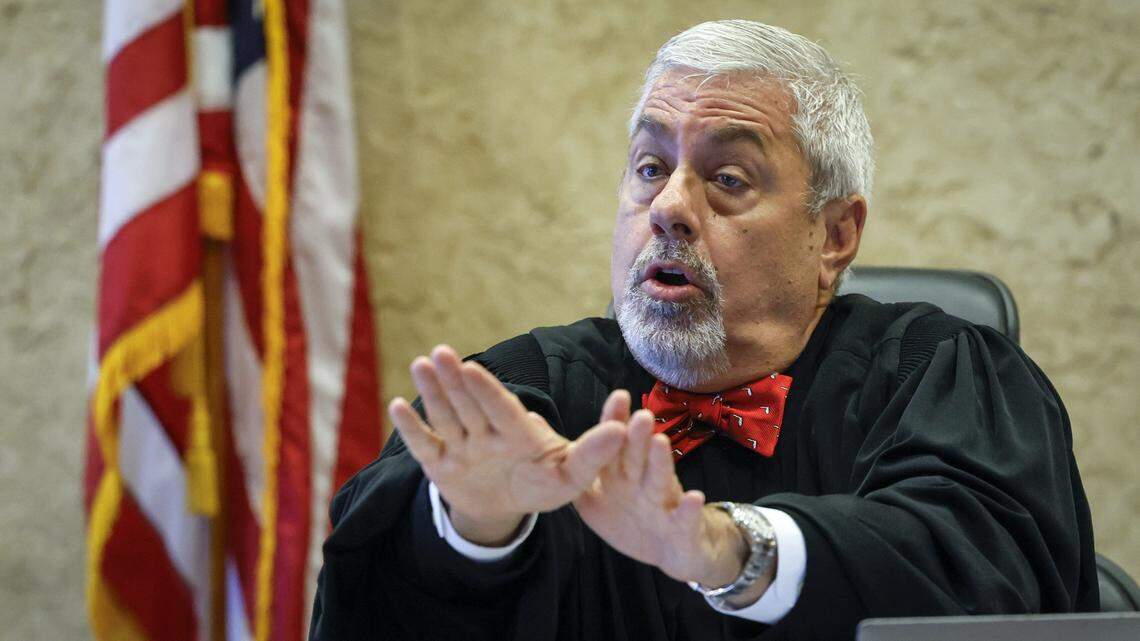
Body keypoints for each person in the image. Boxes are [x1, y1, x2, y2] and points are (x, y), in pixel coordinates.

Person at [309, 19, 1098, 641]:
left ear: (834, 236)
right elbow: (370, 590)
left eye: (727, 178)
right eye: (651, 168)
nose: (670, 208)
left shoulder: (943, 372)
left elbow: (987, 568)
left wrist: (728, 550)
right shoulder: (530, 390)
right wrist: (476, 528)